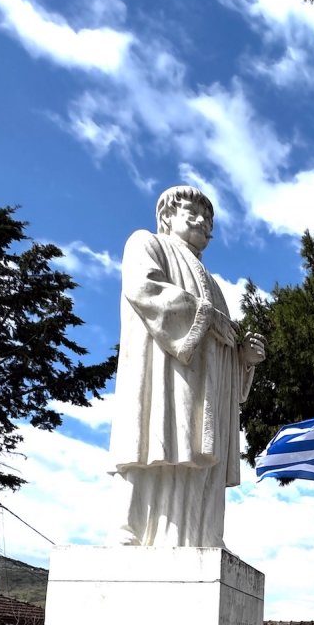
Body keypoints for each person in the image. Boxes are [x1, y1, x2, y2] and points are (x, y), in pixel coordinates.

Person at [108, 185, 265, 548]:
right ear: (166, 217)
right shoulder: (147, 244)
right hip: (162, 373)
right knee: (151, 444)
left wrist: (243, 359)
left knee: (197, 456)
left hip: (204, 391)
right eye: (192, 213)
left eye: (208, 217)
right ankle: (129, 531)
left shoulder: (213, 284)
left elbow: (220, 344)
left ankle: (203, 535)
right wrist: (207, 318)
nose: (202, 221)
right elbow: (143, 289)